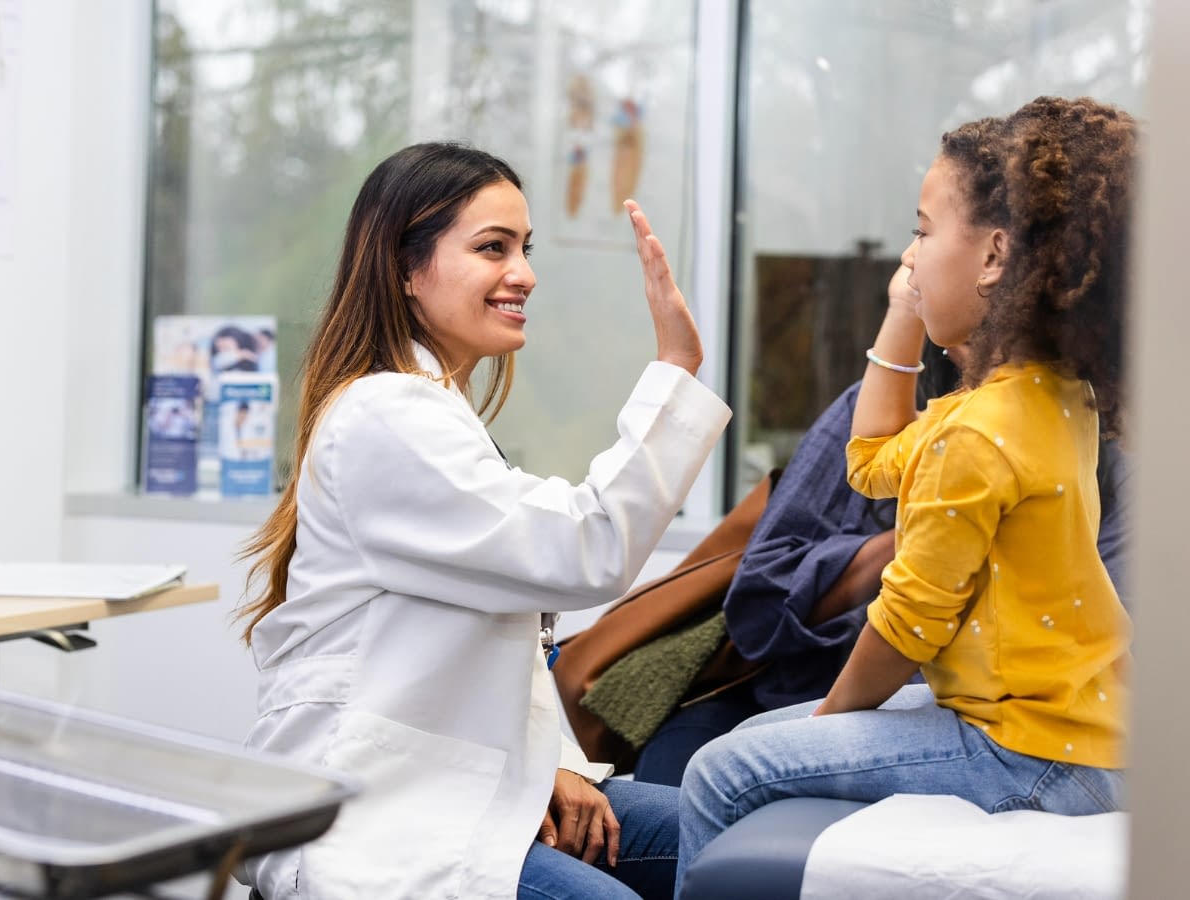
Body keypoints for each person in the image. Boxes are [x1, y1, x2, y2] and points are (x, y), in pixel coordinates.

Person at [236, 142, 730, 899]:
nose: (524, 273)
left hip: (466, 788)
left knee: (731, 837)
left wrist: (556, 762)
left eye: (523, 249)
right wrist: (673, 370)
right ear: (405, 270)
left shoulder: (434, 413)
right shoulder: (385, 416)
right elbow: (579, 550)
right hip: (374, 818)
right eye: (491, 248)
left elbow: (511, 627)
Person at [675, 96, 1137, 889]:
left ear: (994, 256)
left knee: (721, 772)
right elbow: (872, 461)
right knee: (750, 749)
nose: (910, 257)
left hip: (1030, 754)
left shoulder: (976, 432)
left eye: (923, 231)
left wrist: (825, 729)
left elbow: (904, 627)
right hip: (1072, 733)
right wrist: (903, 313)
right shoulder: (1050, 396)